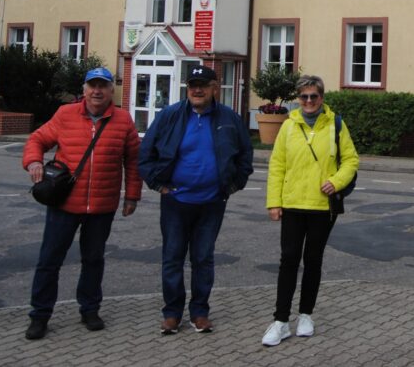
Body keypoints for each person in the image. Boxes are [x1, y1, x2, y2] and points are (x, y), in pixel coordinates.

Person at [22, 67, 141, 340]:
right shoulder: (65, 114)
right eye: (92, 86)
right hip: (64, 204)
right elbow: (37, 139)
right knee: (49, 261)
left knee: (93, 260)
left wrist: (132, 195)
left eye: (103, 86)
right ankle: (40, 315)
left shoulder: (123, 120)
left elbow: (133, 162)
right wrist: (34, 161)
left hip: (102, 206)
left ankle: (89, 309)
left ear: (112, 90)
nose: (97, 91)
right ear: (84, 90)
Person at [139, 65, 253, 335]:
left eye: (203, 85)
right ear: (187, 89)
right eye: (192, 85)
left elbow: (244, 157)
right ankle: (172, 314)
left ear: (215, 88)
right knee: (172, 258)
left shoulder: (229, 118)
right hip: (176, 202)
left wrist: (233, 185)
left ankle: (200, 312)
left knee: (203, 258)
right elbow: (146, 154)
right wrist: (157, 184)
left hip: (212, 202)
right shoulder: (170, 116)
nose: (197, 90)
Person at [263, 75, 358, 347]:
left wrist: (336, 182)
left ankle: (306, 315)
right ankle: (281, 321)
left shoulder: (336, 125)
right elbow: (277, 165)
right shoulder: (289, 126)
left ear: (321, 98)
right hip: (292, 204)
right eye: (303, 97)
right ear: (298, 99)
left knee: (313, 260)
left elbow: (351, 160)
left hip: (321, 207)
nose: (308, 101)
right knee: (289, 259)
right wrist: (274, 202)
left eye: (313, 96)